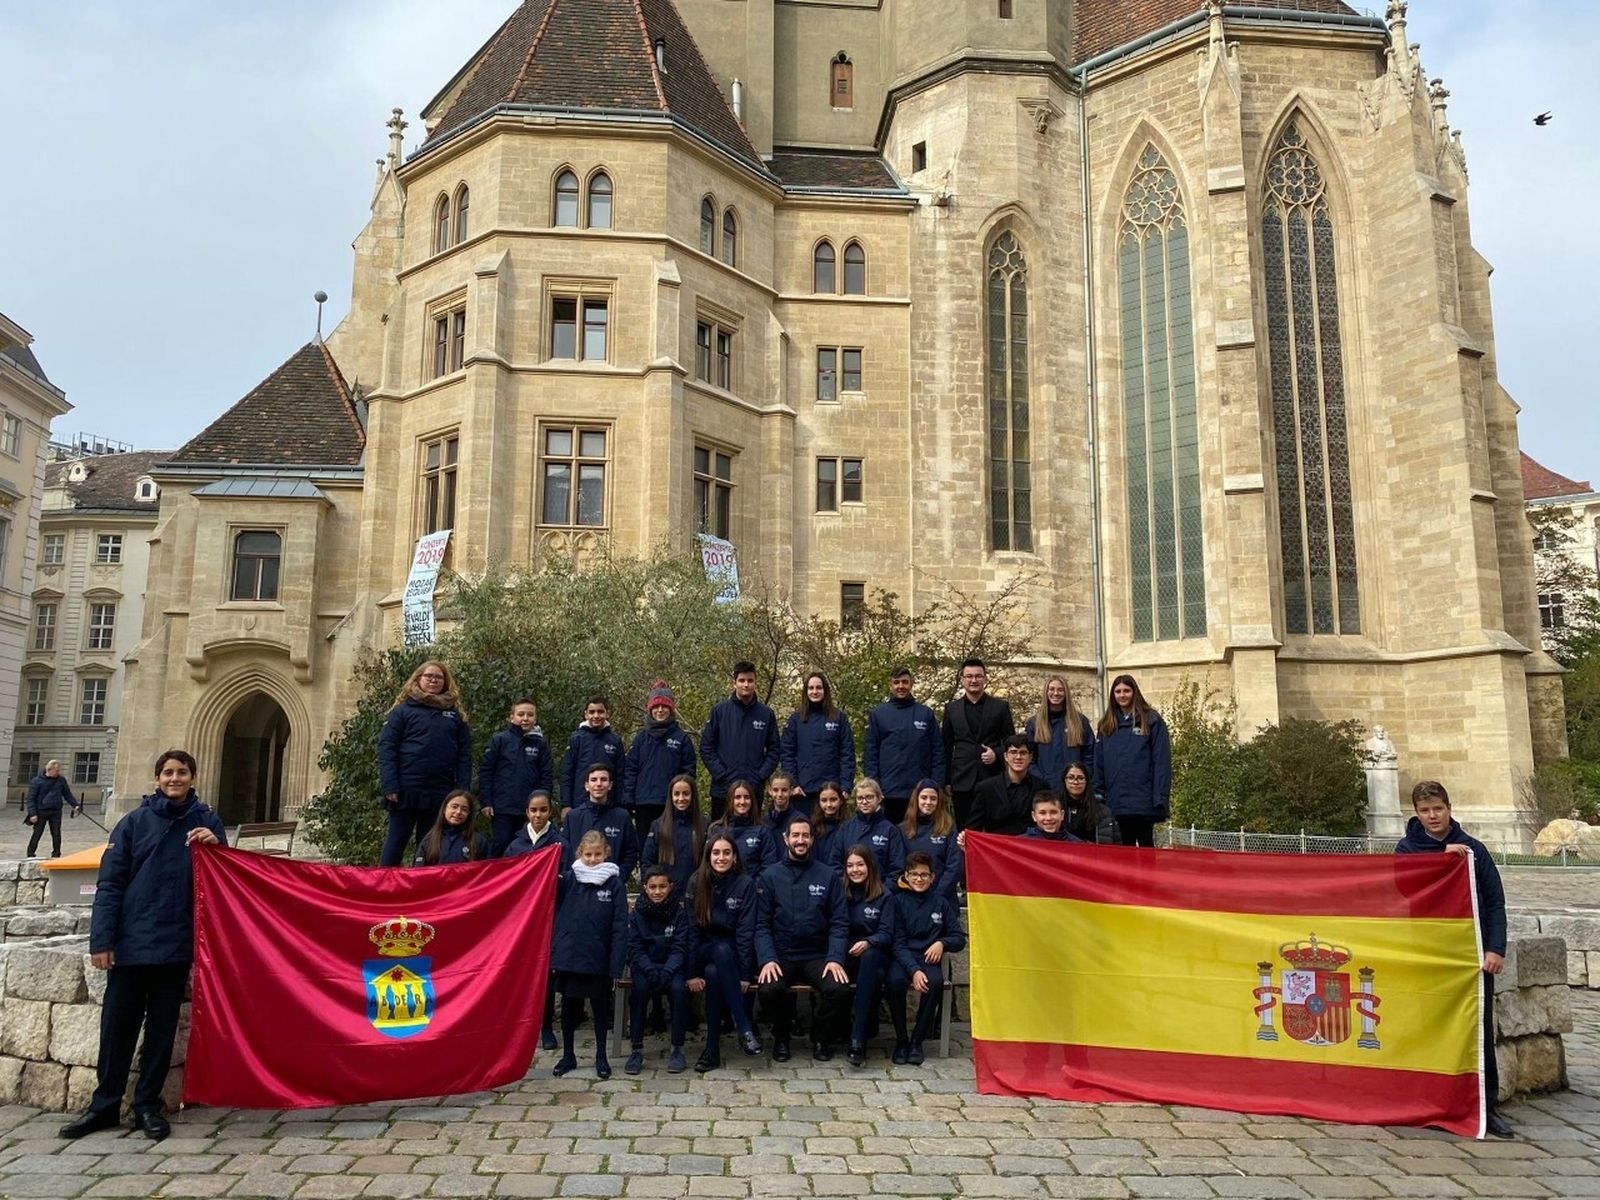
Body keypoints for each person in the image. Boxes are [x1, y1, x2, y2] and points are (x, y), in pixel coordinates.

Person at [61, 749, 226, 1142]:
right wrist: (102, 941)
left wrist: (217, 846)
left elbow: (224, 882)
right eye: (168, 772)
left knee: (161, 1032)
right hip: (131, 944)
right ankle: (104, 1105)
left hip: (175, 944)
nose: (174, 778)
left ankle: (147, 1106)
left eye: (182, 772)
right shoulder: (133, 823)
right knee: (117, 1028)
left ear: (192, 778)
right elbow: (110, 885)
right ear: (157, 779)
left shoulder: (207, 822)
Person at [1396, 780, 1512, 1138]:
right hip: (1429, 953)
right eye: (1425, 810)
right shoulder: (1406, 849)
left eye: (1438, 809)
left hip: (1470, 956)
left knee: (1477, 1030)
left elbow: (1495, 901)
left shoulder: (1474, 849)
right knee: (1429, 1026)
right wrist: (1439, 861)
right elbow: (1403, 887)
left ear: (1449, 809)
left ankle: (1485, 1106)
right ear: (1417, 813)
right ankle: (1430, 1100)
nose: (1433, 816)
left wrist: (1495, 948)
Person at [755, 815, 850, 1062]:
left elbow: (839, 922)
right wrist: (767, 959)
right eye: (795, 835)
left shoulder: (828, 876)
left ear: (812, 839)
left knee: (838, 988)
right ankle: (781, 1037)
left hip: (817, 955)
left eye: (805, 835)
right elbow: (761, 925)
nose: (800, 840)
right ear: (785, 839)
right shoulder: (770, 876)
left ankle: (820, 1037)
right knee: (768, 989)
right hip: (781, 954)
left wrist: (835, 958)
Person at [377, 661, 473, 866]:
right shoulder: (402, 711)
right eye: (428, 676)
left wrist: (462, 790)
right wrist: (390, 785)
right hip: (406, 789)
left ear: (445, 682)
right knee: (396, 842)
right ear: (418, 679)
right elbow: (387, 748)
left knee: (430, 845)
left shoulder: (455, 715)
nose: (433, 680)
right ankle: (383, 883)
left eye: (438, 677)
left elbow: (465, 755)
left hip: (440, 790)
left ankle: (424, 884)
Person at [550, 830, 628, 1079]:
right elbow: (545, 883)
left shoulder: (615, 884)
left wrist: (616, 963)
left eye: (597, 854)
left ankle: (601, 1056)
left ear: (606, 854)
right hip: (570, 956)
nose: (593, 859)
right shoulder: (568, 879)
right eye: (588, 855)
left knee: (600, 1009)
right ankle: (568, 1055)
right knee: (570, 1008)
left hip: (598, 957)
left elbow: (619, 926)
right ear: (579, 854)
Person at [685, 833, 764, 1072]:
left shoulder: (745, 884)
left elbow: (746, 933)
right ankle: (743, 1026)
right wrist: (691, 973)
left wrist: (745, 974)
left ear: (735, 857)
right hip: (704, 949)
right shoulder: (696, 881)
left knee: (714, 972)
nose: (721, 858)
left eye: (727, 853)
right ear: (708, 856)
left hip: (733, 955)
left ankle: (711, 1050)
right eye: (716, 853)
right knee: (717, 953)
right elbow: (691, 932)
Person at [885, 850, 966, 1066]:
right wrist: (914, 970)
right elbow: (897, 942)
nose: (919, 879)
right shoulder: (897, 901)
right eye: (914, 874)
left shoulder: (941, 903)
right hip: (903, 958)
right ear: (906, 876)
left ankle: (917, 1041)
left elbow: (959, 938)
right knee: (893, 982)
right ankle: (901, 1040)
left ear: (932, 877)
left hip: (929, 959)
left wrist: (942, 943)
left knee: (936, 982)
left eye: (924, 875)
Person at [505, 790, 567, 1049]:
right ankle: (516, 1024)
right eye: (533, 810)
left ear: (550, 812)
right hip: (520, 919)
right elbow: (504, 881)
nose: (538, 815)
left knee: (545, 973)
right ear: (527, 812)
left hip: (549, 917)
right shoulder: (515, 845)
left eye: (543, 810)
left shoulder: (560, 844)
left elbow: (568, 878)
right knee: (518, 970)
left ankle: (546, 1026)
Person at [625, 866, 691, 1074]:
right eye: (652, 887)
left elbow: (680, 947)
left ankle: (677, 1048)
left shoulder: (679, 913)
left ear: (670, 887)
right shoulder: (637, 914)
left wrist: (668, 971)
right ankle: (636, 1049)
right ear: (645, 888)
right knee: (640, 991)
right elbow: (635, 948)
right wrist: (649, 969)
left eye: (662, 886)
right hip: (645, 966)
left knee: (679, 991)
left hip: (671, 966)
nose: (657, 891)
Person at [1092, 674, 1171, 848]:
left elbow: (1162, 762)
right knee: (1122, 850)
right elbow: (1099, 763)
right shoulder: (1106, 725)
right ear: (1113, 694)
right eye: (1118, 691)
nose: (1122, 695)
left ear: (1134, 692)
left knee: (1146, 849)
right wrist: (1098, 793)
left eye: (1126, 691)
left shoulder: (1151, 720)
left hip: (1143, 801)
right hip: (1116, 800)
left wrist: (1160, 797)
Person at [700, 661, 780, 821]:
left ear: (755, 683)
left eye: (750, 681)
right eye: (742, 680)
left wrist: (760, 775)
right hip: (723, 790)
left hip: (753, 790)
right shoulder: (719, 711)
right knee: (720, 833)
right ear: (734, 683)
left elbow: (775, 749)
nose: (746, 685)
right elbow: (706, 747)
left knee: (752, 833)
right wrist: (721, 774)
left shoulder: (766, 714)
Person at [864, 667, 944, 824]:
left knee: (918, 835)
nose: (901, 686)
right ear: (890, 685)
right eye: (896, 682)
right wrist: (874, 786)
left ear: (911, 684)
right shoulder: (878, 714)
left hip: (920, 793)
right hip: (888, 792)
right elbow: (870, 753)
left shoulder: (925, 714)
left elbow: (938, 752)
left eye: (905, 682)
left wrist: (937, 784)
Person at [623, 681, 699, 844]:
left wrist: (682, 796)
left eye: (664, 706)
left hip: (671, 804)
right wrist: (628, 799)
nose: (660, 710)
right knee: (646, 847)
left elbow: (689, 772)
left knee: (669, 847)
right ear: (650, 709)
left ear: (671, 709)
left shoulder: (681, 738)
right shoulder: (640, 739)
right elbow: (630, 770)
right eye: (656, 707)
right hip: (643, 803)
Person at [941, 659, 1015, 828]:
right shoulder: (951, 709)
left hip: (993, 778)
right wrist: (946, 780)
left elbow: (1011, 742)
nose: (973, 680)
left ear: (985, 678)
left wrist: (996, 753)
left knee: (994, 831)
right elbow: (946, 746)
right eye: (969, 676)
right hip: (961, 779)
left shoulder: (1000, 707)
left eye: (978, 676)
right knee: (965, 831)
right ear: (962, 679)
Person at [478, 698, 553, 857]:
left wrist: (544, 802)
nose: (525, 718)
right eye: (521, 714)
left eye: (530, 715)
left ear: (535, 718)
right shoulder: (499, 740)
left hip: (530, 809)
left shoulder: (541, 744)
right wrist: (486, 801)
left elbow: (546, 776)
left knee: (527, 849)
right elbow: (486, 771)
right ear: (511, 717)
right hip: (502, 807)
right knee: (501, 845)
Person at [840, 846, 893, 1067]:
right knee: (872, 976)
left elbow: (887, 933)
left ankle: (857, 1039)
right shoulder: (840, 892)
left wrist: (869, 941)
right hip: (847, 956)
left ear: (870, 866)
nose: (855, 870)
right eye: (850, 865)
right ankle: (853, 1026)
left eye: (860, 865)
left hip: (875, 954)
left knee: (871, 961)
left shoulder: (884, 895)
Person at [780, 671, 855, 812]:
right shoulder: (796, 719)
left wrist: (846, 787)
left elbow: (847, 755)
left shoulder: (838, 718)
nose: (815, 692)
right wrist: (793, 784)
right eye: (811, 688)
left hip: (832, 792)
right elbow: (787, 754)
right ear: (806, 691)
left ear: (825, 690)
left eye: (819, 688)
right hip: (803, 792)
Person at [562, 762, 640, 883]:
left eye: (603, 780)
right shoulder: (573, 817)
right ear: (587, 785)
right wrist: (571, 879)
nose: (598, 784)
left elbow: (631, 852)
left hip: (611, 884)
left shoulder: (622, 817)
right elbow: (564, 852)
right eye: (594, 780)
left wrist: (619, 878)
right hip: (578, 885)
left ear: (610, 785)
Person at [963, 734, 1047, 838]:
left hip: (1030, 845)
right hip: (996, 846)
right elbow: (973, 828)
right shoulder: (986, 788)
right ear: (1006, 756)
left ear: (1030, 757)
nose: (1018, 757)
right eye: (1013, 752)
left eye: (1023, 753)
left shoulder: (1041, 787)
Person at [828, 777, 907, 885]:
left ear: (879, 798)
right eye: (860, 798)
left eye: (869, 797)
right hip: (849, 891)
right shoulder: (845, 828)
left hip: (880, 891)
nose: (864, 802)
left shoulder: (890, 830)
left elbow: (897, 868)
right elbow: (834, 862)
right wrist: (846, 887)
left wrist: (883, 891)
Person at [1024, 676, 1095, 791]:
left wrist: (1080, 778)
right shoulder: (1034, 723)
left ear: (1066, 693)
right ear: (1046, 692)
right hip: (1045, 789)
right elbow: (1029, 758)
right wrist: (1042, 781)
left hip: (1075, 789)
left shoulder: (1080, 721)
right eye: (1052, 689)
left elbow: (1089, 755)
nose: (1056, 693)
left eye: (1060, 690)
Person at [641, 774, 705, 898]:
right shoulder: (658, 825)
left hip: (696, 895)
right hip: (665, 897)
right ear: (670, 796)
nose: (681, 798)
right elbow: (647, 863)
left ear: (693, 795)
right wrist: (655, 890)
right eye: (676, 794)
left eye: (686, 793)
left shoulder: (704, 825)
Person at [901, 781, 964, 902]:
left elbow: (954, 865)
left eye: (933, 798)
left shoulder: (948, 827)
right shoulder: (903, 829)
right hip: (910, 898)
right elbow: (899, 865)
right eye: (924, 797)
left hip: (943, 898)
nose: (928, 802)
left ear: (939, 801)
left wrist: (937, 896)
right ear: (916, 799)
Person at [562, 696, 624, 812]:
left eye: (600, 712)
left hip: (609, 804)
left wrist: (621, 804)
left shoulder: (615, 741)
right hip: (579, 803)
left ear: (607, 714)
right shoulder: (577, 739)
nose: (596, 716)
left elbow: (620, 775)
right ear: (586, 714)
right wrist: (566, 804)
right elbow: (567, 773)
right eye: (592, 712)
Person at [706, 778, 776, 873]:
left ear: (752, 801)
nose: (742, 802)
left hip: (753, 882)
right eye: (737, 797)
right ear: (730, 800)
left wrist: (751, 883)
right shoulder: (716, 829)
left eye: (746, 797)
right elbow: (707, 863)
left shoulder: (763, 832)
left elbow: (769, 867)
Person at [24, 758, 81, 859]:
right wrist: (32, 814)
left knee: (56, 833)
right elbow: (31, 799)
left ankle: (56, 854)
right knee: (37, 833)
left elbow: (67, 794)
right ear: (49, 770)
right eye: (56, 771)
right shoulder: (37, 781)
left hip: (56, 811)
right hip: (41, 811)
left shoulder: (61, 780)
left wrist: (75, 805)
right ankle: (30, 853)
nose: (58, 773)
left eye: (59, 770)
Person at [413, 790, 489, 864]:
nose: (458, 812)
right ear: (444, 809)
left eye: (464, 809)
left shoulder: (478, 841)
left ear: (469, 814)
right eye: (454, 807)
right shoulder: (429, 840)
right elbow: (419, 870)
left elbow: (486, 869)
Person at [1061, 762, 1118, 844]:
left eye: (1080, 778)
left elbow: (1115, 844)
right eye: (1071, 777)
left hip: (1094, 851)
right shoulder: (1055, 808)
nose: (1075, 782)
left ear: (1087, 781)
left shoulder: (1102, 811)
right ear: (1064, 780)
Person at [811, 781, 848, 864]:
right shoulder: (813, 826)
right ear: (819, 802)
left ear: (841, 801)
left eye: (833, 799)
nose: (829, 805)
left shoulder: (849, 827)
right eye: (824, 800)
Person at [762, 770, 803, 836]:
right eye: (775, 790)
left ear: (791, 790)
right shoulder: (764, 822)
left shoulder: (799, 820)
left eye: (784, 790)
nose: (780, 794)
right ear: (770, 791)